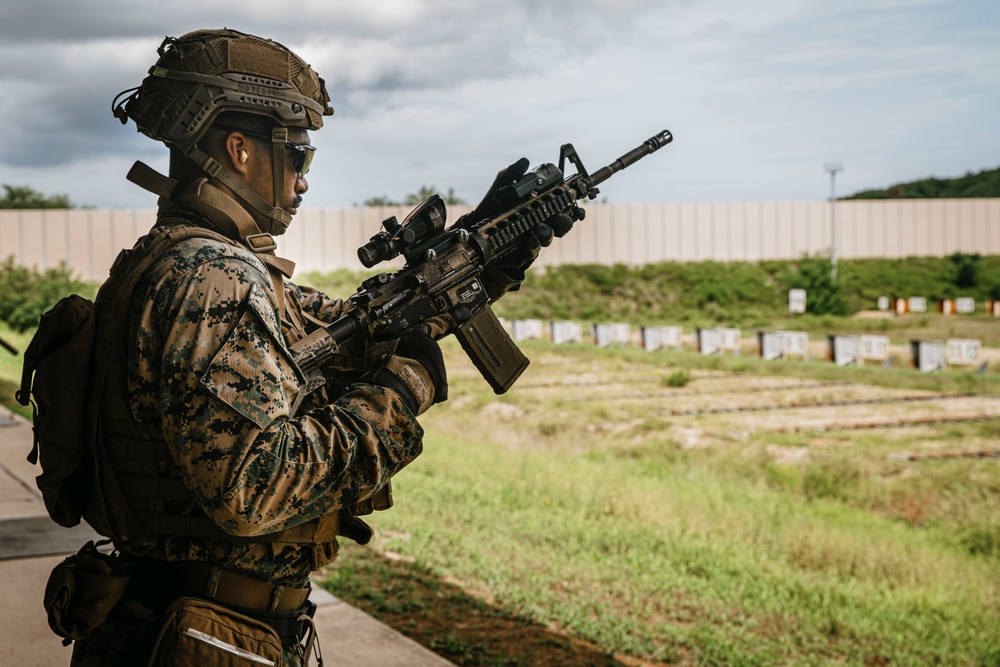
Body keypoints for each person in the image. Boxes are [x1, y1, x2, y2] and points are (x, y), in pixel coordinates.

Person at [70, 28, 450, 666]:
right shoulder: (213, 277)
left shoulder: (185, 261)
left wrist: (472, 268)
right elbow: (257, 490)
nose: (303, 181)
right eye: (299, 156)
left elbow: (332, 328)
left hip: (181, 623)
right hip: (200, 637)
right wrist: (398, 397)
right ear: (241, 151)